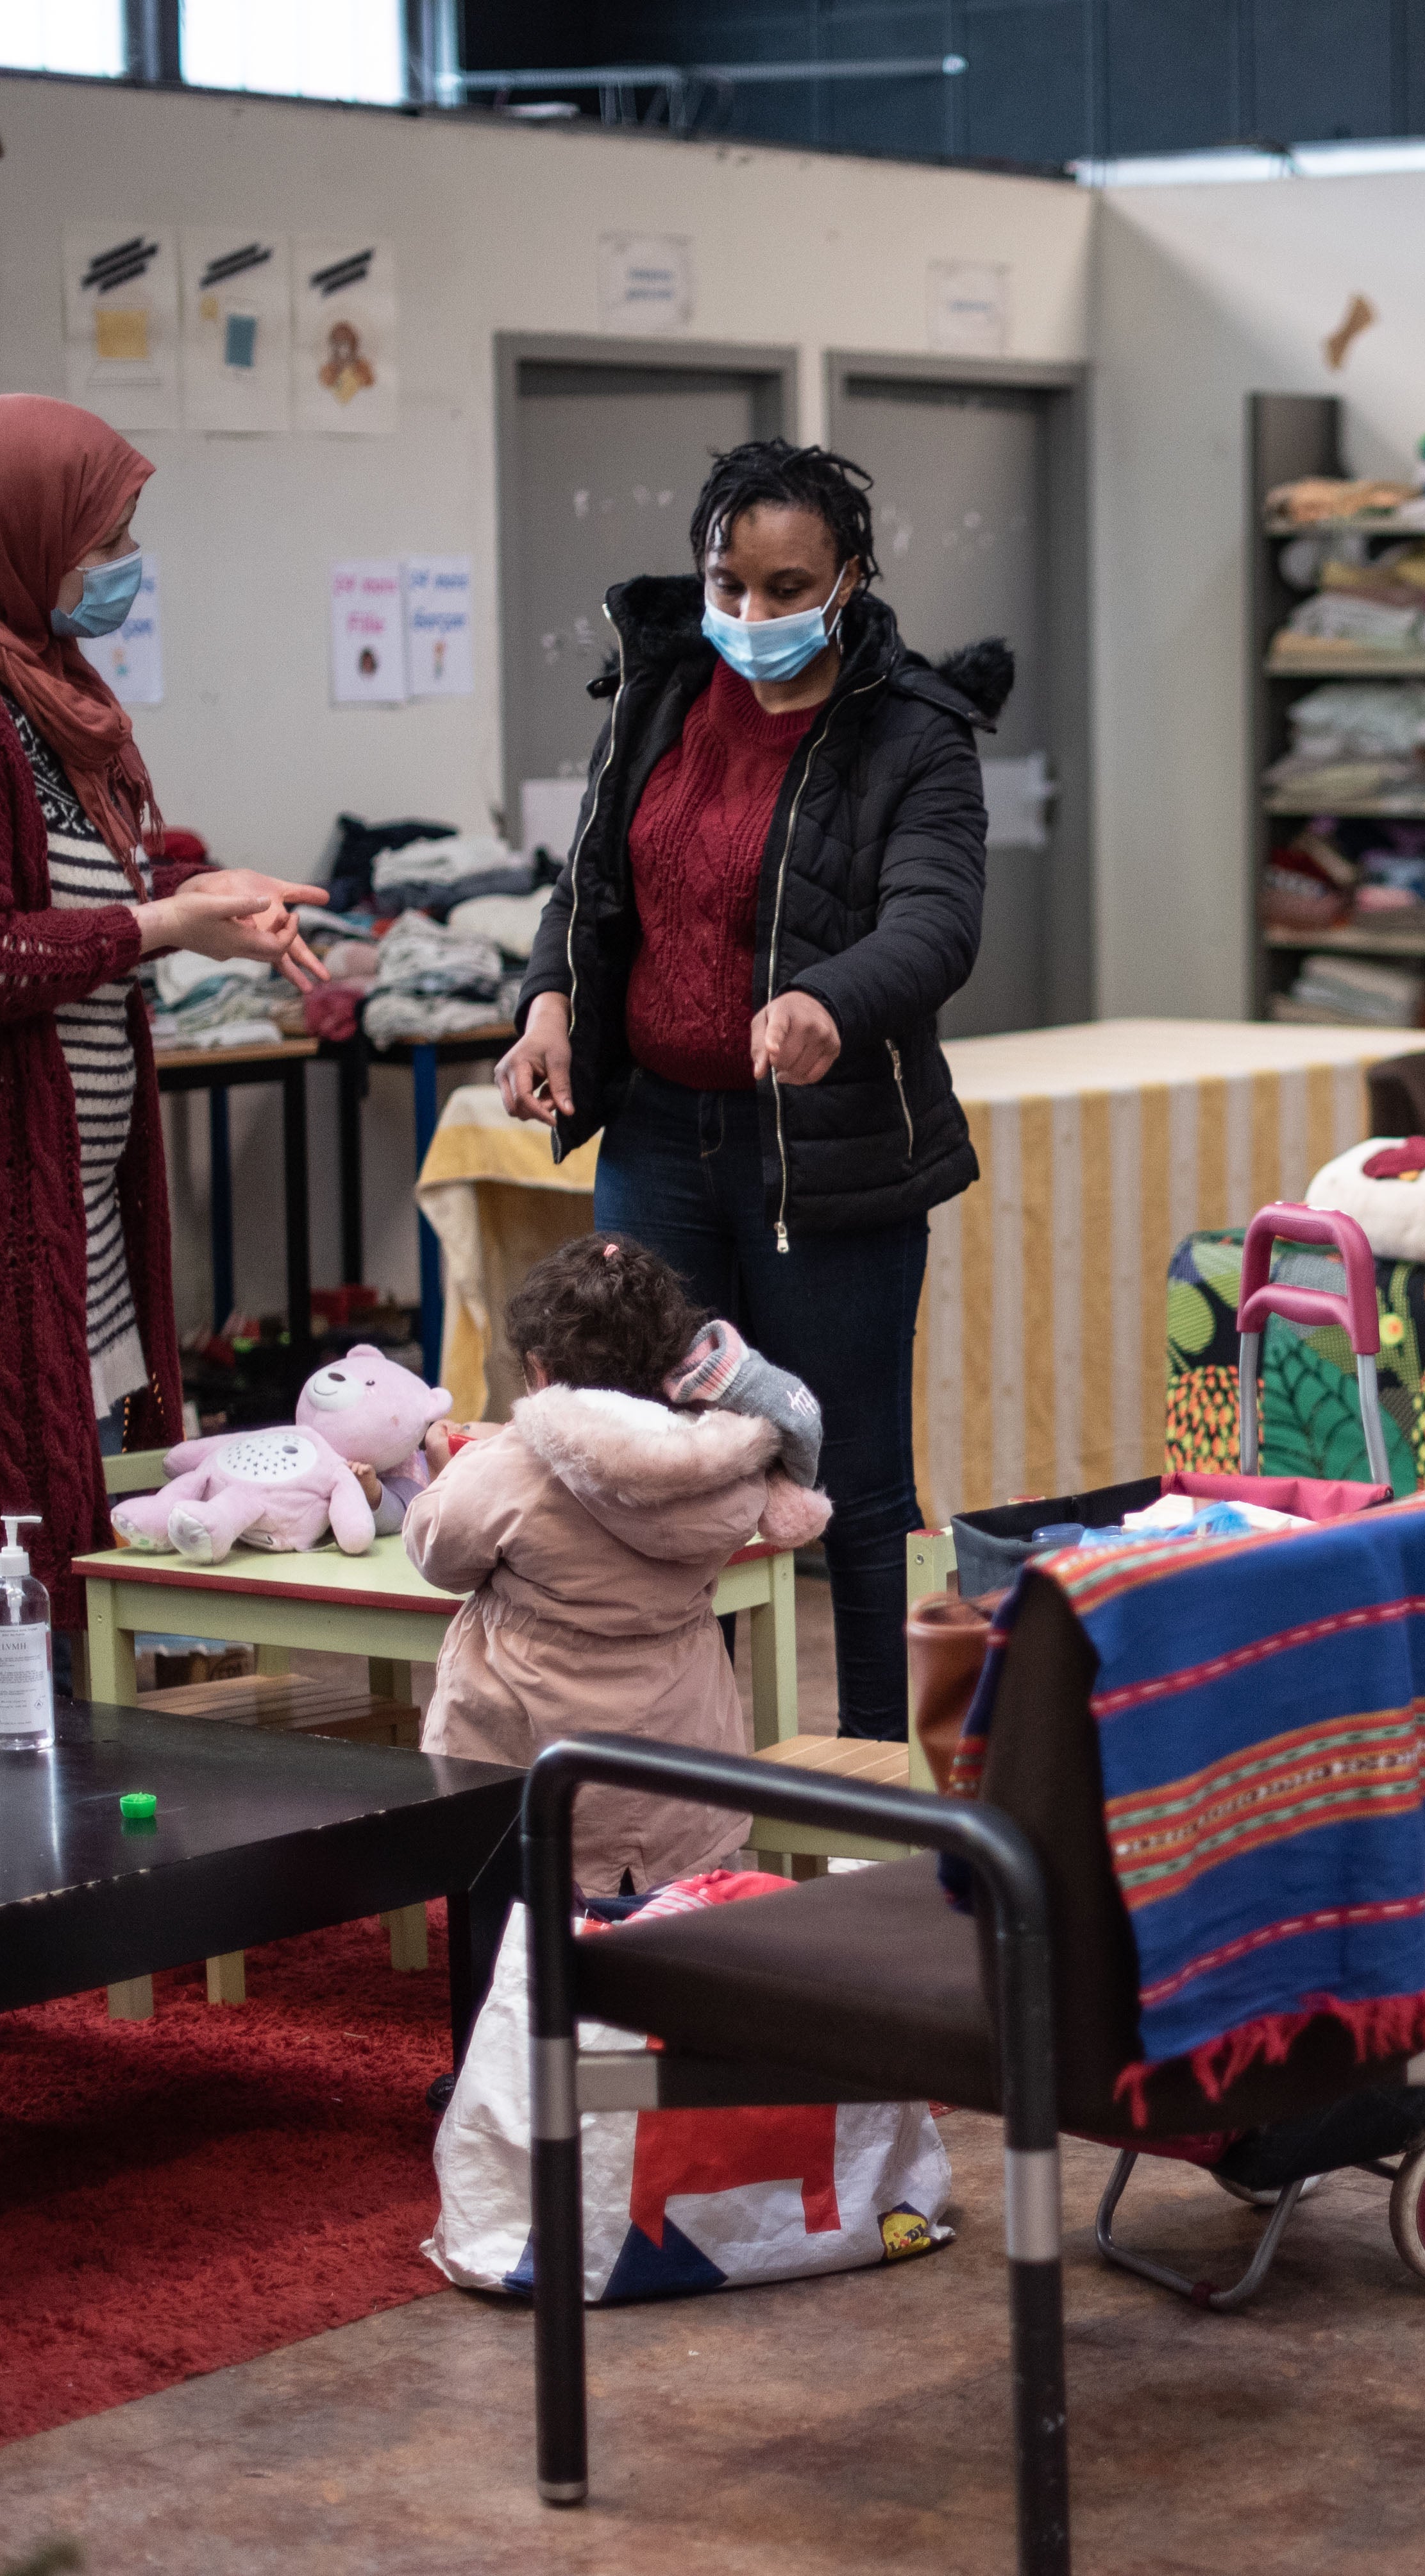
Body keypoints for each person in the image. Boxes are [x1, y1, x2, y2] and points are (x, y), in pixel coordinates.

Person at [0, 394, 324, 1683]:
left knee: (79, 1511)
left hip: (63, 1210)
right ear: (9, 533)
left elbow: (68, 907)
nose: (119, 568)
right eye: (102, 539)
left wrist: (193, 907)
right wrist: (163, 927)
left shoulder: (32, 685)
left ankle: (66, 1847)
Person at [499, 441, 1008, 1740]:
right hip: (657, 1139)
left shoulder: (914, 732)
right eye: (729, 581)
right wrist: (550, 998)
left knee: (855, 1485)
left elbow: (938, 921)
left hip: (826, 1151)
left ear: (848, 581)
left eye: (789, 588)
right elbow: (589, 891)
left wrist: (830, 999)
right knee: (651, 1466)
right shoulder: (658, 696)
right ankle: (692, 1768)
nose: (754, 614)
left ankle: (888, 1787)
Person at [401, 1233, 829, 1891]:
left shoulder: (509, 1465)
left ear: (539, 1370)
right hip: (678, 1765)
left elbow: (439, 1554)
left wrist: (445, 1472)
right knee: (671, 1932)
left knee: (519, 1934)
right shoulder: (724, 1474)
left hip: (529, 1763)